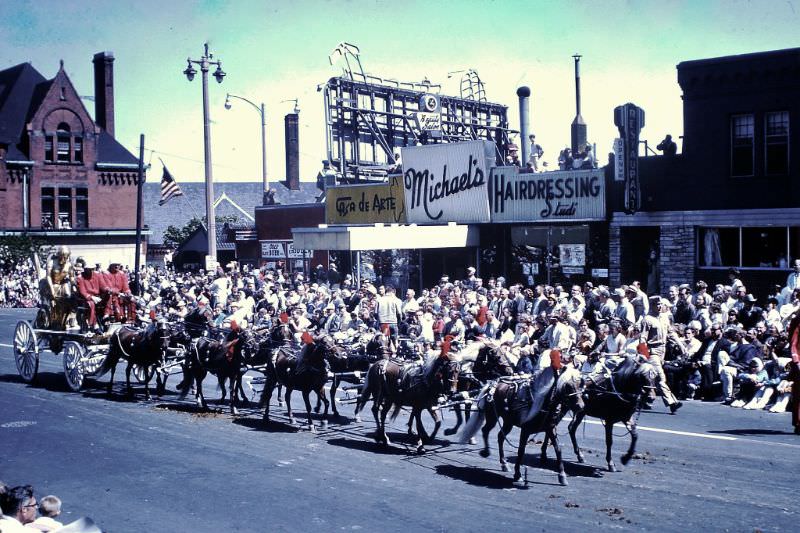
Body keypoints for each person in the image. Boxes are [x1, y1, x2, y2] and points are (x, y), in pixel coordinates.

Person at [641, 296, 683, 413]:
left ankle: (644, 398)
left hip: (662, 352)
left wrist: (680, 344)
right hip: (652, 351)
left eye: (660, 304)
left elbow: (671, 333)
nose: (659, 306)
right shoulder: (647, 320)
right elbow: (642, 340)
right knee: (660, 377)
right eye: (656, 304)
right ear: (652, 305)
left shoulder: (664, 318)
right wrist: (645, 356)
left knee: (652, 378)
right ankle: (672, 402)